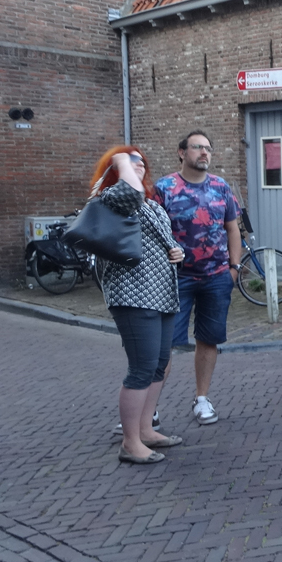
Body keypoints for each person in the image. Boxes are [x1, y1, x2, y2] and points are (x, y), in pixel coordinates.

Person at [95, 147, 185, 464]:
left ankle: (145, 430)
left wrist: (178, 253)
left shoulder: (152, 206)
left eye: (142, 162)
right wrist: (120, 160)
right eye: (133, 162)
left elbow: (165, 242)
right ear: (117, 169)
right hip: (132, 297)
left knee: (160, 363)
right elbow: (131, 192)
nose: (140, 166)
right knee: (141, 368)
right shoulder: (114, 200)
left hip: (161, 295)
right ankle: (130, 442)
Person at [155, 131, 242, 426]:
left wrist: (234, 268)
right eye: (197, 147)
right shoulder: (164, 188)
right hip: (175, 280)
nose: (204, 152)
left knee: (208, 338)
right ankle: (148, 407)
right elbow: (150, 233)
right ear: (182, 153)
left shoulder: (220, 187)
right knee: (164, 342)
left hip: (217, 277)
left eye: (208, 148)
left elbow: (232, 229)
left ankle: (202, 398)